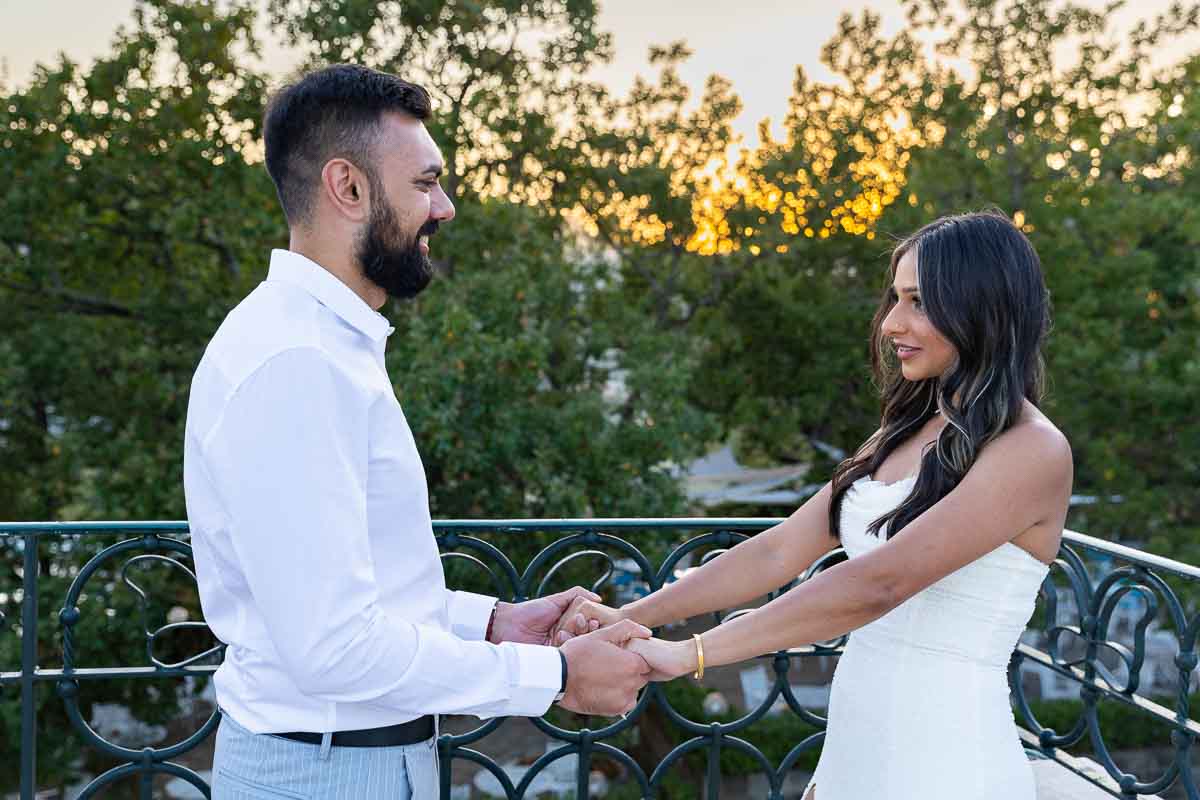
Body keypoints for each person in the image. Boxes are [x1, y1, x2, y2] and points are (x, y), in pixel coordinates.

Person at [183, 64, 651, 800]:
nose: (446, 207)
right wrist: (555, 675)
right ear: (350, 187)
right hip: (325, 776)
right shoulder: (296, 362)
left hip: (353, 763)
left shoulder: (324, 345)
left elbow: (356, 596)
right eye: (426, 183)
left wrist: (495, 624)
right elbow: (333, 649)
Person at [554, 210, 1072, 800]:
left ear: (981, 307)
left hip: (947, 759)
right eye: (895, 298)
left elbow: (880, 583)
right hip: (858, 742)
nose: (891, 323)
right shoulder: (905, 431)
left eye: (919, 302)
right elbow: (777, 551)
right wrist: (632, 616)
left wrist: (690, 654)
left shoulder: (1032, 450)